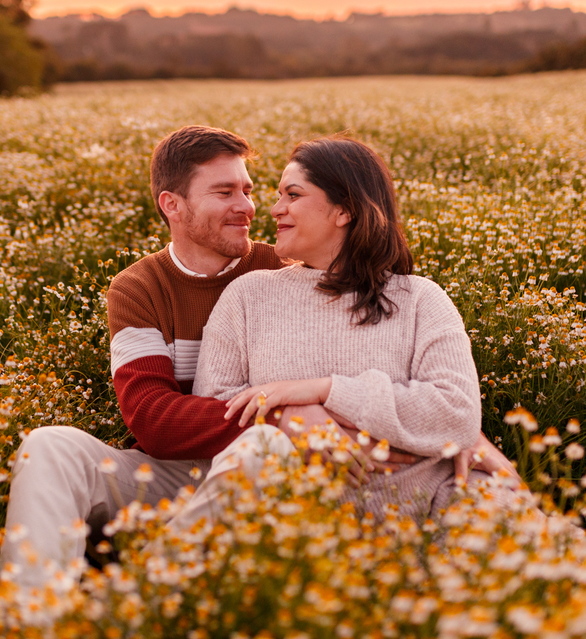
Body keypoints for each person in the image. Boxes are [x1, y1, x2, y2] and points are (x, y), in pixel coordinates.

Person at [0, 127, 515, 597]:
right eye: (225, 193)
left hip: (268, 470)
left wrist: (460, 432)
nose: (253, 207)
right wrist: (287, 415)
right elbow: (155, 419)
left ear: (343, 210)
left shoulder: (287, 262)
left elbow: (440, 393)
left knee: (264, 448)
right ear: (172, 205)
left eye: (251, 190)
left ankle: (129, 607)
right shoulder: (149, 289)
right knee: (50, 445)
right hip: (194, 464)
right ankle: (30, 616)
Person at [165, 136, 517, 533]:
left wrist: (325, 391)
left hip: (423, 520)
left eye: (293, 195)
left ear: (344, 210)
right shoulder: (248, 296)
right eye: (279, 196)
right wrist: (297, 418)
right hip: (292, 528)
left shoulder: (420, 299)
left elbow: (456, 414)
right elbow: (219, 412)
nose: (275, 208)